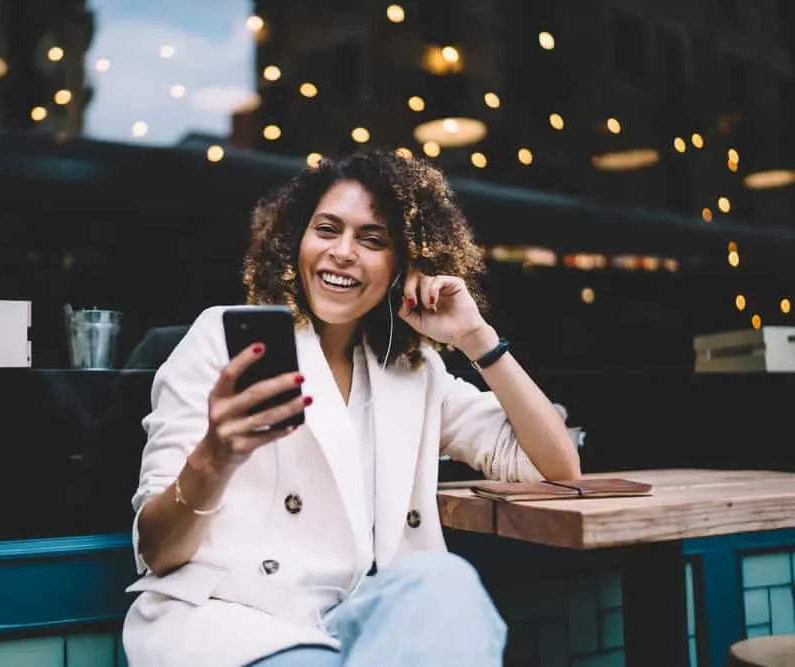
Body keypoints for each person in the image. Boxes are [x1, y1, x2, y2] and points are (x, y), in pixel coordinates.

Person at [122, 150, 581, 667]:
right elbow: (158, 551)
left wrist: (478, 340)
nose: (343, 252)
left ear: (404, 264)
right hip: (236, 624)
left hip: (364, 624)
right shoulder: (219, 341)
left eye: (372, 239)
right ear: (295, 241)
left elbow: (557, 467)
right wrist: (214, 457)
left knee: (447, 581)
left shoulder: (412, 371)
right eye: (327, 229)